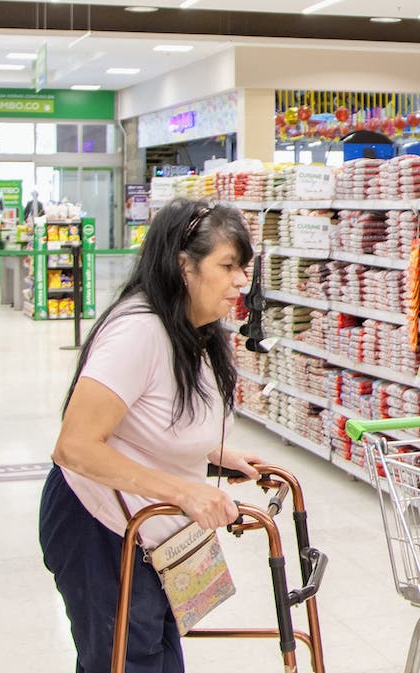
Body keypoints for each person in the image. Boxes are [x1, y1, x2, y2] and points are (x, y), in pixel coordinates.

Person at [39, 198, 264, 672]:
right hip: (97, 526)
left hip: (149, 532)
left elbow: (155, 419)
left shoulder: (194, 330)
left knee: (154, 658)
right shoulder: (138, 332)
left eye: (243, 267)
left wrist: (214, 455)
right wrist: (183, 490)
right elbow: (74, 446)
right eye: (227, 266)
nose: (241, 281)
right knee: (123, 660)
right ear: (183, 266)